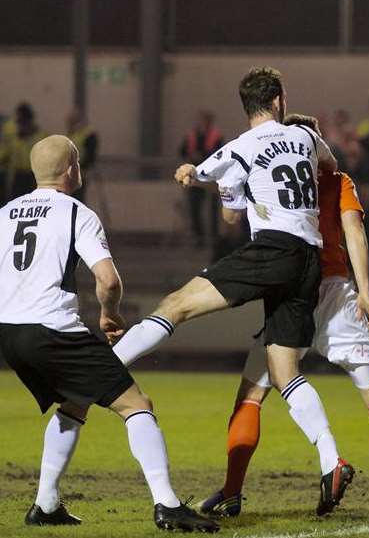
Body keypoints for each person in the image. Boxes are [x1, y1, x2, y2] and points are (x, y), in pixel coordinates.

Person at [111, 67, 354, 515]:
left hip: (272, 249)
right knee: (284, 371)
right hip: (308, 261)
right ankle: (330, 460)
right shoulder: (304, 135)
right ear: (279, 100)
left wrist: (196, 175)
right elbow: (330, 165)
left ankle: (106, 367)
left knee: (176, 304)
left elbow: (213, 198)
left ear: (246, 106)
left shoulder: (239, 148)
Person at [198, 115, 369, 521]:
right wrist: (365, 290)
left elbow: (239, 220)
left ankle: (231, 492)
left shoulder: (270, 178)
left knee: (252, 395)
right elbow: (355, 233)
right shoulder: (338, 181)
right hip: (335, 291)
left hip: (290, 290)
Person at [0, 136, 217, 532]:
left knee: (74, 405)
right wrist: (109, 315)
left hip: (11, 334)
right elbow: (108, 280)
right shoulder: (75, 213)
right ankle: (167, 505)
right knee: (137, 405)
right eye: (78, 161)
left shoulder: (5, 213)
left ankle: (46, 503)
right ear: (70, 169)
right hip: (54, 331)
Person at [180, 110, 225, 246]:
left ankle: (214, 237)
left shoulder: (216, 136)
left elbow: (219, 153)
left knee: (213, 208)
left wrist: (202, 156)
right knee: (195, 207)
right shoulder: (191, 135)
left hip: (211, 176)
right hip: (195, 176)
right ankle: (199, 238)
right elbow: (181, 150)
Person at [9, 102, 47, 198]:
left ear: (29, 120)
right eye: (19, 122)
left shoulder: (40, 136)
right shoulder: (15, 138)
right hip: (18, 177)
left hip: (34, 177)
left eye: (23, 122)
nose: (21, 125)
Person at [67, 108, 98, 203]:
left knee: (77, 198)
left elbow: (90, 155)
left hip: (80, 172)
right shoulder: (73, 133)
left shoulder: (88, 134)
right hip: (71, 172)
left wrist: (84, 167)